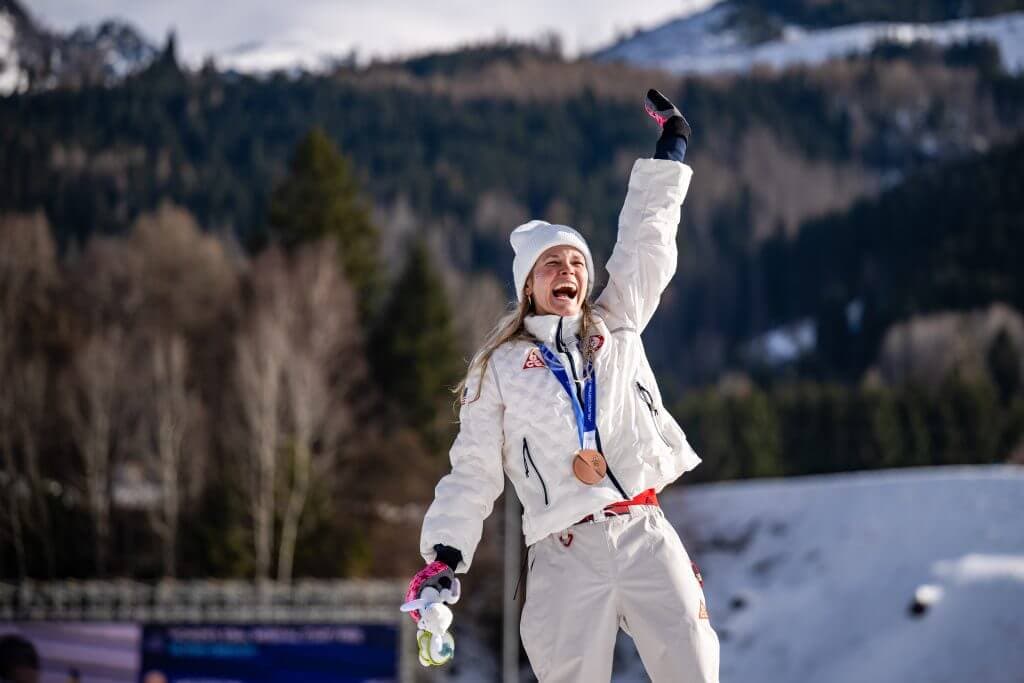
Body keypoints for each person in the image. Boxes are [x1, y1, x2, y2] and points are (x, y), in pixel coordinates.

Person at [406, 89, 720, 682]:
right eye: (551, 264)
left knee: (696, 668)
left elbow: (647, 242)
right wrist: (445, 555)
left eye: (576, 263)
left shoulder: (617, 323)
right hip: (563, 552)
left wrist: (671, 151)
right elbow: (473, 469)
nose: (568, 272)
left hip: (643, 530)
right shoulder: (497, 369)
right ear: (528, 285)